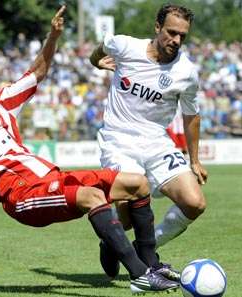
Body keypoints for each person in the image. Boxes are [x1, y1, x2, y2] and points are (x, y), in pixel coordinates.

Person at [0, 6, 179, 294]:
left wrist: (53, 36)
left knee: (138, 184)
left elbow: (36, 73)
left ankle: (151, 265)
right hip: (22, 196)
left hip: (50, 177)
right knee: (93, 196)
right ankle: (140, 276)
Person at [89, 3, 208, 278]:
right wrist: (96, 61)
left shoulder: (186, 72)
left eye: (182, 36)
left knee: (194, 203)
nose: (176, 40)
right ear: (157, 27)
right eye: (171, 32)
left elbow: (192, 116)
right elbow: (101, 48)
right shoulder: (125, 46)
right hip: (118, 140)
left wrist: (195, 160)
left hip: (157, 142)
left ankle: (142, 249)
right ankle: (119, 242)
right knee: (129, 214)